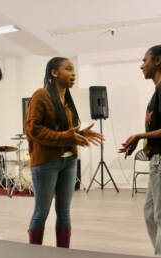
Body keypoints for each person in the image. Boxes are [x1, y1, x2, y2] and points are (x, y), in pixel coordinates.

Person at [25, 57, 103, 248]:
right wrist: (66, 137)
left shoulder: (66, 101)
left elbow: (64, 132)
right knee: (41, 212)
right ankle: (35, 254)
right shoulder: (41, 95)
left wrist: (80, 133)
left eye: (74, 69)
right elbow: (33, 129)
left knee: (64, 211)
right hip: (46, 162)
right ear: (54, 73)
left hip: (69, 162)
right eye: (68, 69)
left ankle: (63, 255)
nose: (73, 73)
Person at [119, 45, 161, 258]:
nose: (142, 65)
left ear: (157, 61)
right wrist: (141, 141)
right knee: (151, 213)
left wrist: (140, 136)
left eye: (145, 60)